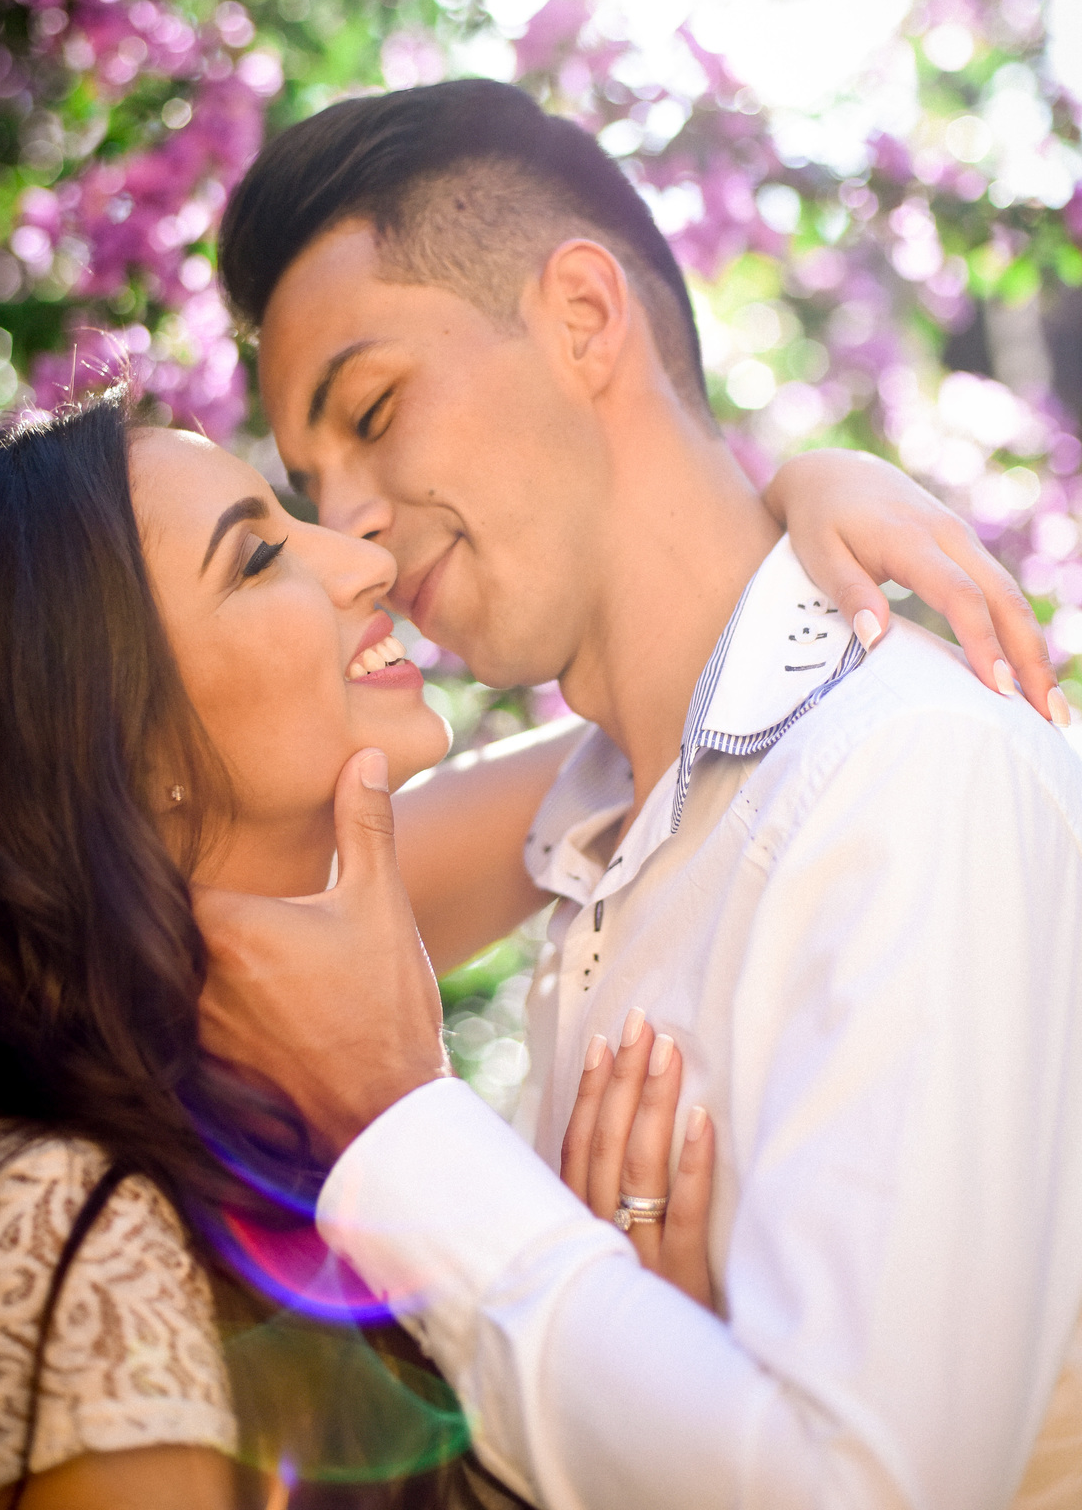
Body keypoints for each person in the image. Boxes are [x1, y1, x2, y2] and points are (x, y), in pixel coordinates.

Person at [198, 78, 1082, 1509]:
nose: (345, 518)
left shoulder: (908, 774)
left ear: (586, 318)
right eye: (306, 482)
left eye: (372, 409)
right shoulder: (614, 832)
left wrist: (407, 1130)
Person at [0, 393, 554, 1510]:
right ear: (121, 749)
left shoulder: (267, 1048)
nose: (361, 562)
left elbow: (662, 723)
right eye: (256, 560)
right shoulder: (43, 1213)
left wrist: (794, 509)